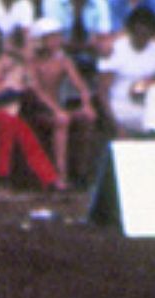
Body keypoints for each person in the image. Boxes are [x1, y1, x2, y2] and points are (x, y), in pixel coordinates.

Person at [0, 19, 62, 189]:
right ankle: (46, 177)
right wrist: (2, 86)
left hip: (10, 108)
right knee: (10, 122)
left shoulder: (7, 60)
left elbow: (23, 84)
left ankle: (37, 178)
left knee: (16, 126)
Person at [24, 16, 96, 186]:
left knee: (87, 118)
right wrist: (55, 109)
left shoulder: (63, 60)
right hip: (37, 111)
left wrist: (87, 105)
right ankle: (59, 174)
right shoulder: (31, 62)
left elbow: (81, 86)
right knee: (61, 120)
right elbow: (37, 91)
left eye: (58, 36)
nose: (57, 41)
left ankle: (81, 172)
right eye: (52, 37)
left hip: (57, 108)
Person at [96, 5, 155, 138]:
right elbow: (102, 93)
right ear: (131, 30)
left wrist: (146, 84)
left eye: (146, 33)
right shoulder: (114, 49)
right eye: (138, 32)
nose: (142, 37)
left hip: (146, 108)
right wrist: (116, 127)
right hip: (120, 108)